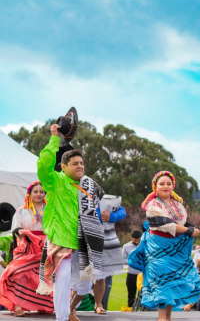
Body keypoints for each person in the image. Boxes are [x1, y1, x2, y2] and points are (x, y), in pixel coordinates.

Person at [36, 124, 104, 321]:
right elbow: (43, 165)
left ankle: (71, 310)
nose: (80, 166)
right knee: (63, 279)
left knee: (84, 285)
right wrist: (54, 139)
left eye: (81, 163)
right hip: (61, 241)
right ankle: (62, 318)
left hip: (83, 244)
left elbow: (94, 211)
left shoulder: (88, 186)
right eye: (75, 163)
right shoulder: (55, 182)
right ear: (63, 167)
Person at [128, 171, 200, 321]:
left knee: (171, 282)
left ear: (173, 186)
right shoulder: (153, 205)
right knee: (162, 282)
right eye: (162, 183)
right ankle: (162, 318)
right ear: (155, 186)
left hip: (174, 250)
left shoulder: (177, 205)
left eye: (169, 184)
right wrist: (190, 231)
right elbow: (164, 224)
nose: (165, 186)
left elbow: (180, 222)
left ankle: (167, 318)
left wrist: (189, 229)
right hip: (157, 249)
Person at [0, 181, 53, 316]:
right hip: (26, 247)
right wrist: (22, 232)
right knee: (18, 273)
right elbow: (15, 229)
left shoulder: (50, 209)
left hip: (45, 246)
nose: (38, 194)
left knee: (43, 276)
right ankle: (18, 306)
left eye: (41, 192)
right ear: (30, 193)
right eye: (35, 192)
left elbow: (54, 227)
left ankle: (43, 306)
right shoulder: (22, 210)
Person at [94, 195, 126, 313]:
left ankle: (98, 304)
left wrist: (112, 216)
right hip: (83, 239)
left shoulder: (107, 200)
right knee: (80, 277)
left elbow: (122, 212)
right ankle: (72, 307)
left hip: (105, 241)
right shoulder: (77, 197)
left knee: (101, 277)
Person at [122, 230, 142, 308]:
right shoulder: (126, 246)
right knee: (131, 295)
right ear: (131, 238)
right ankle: (131, 310)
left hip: (142, 275)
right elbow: (123, 259)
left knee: (143, 295)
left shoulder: (144, 245)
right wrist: (132, 261)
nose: (137, 242)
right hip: (131, 274)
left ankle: (143, 311)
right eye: (135, 240)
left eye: (138, 240)